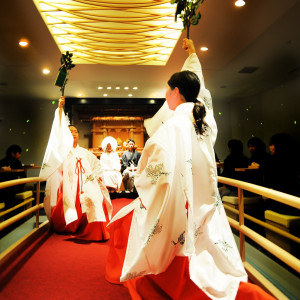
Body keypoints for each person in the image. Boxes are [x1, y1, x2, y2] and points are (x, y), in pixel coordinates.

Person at [105, 39, 274, 300]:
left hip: (178, 202)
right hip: (204, 201)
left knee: (130, 223)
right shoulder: (204, 123)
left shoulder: (172, 127)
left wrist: (140, 177)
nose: (165, 96)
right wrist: (193, 54)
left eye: (167, 91)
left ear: (175, 91)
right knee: (210, 249)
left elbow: (152, 173)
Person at [39, 97, 112, 241]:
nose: (73, 133)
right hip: (69, 185)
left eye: (75, 132)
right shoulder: (62, 152)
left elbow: (96, 166)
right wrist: (60, 109)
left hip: (86, 183)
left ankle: (93, 230)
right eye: (70, 131)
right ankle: (70, 226)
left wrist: (97, 179)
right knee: (70, 204)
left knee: (95, 200)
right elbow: (58, 130)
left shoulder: (85, 152)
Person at [264, 133, 300, 215]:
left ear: (278, 145)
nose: (270, 147)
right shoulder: (294, 159)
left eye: (272, 144)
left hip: (285, 205)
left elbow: (272, 184)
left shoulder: (274, 161)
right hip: (296, 203)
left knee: (263, 202)